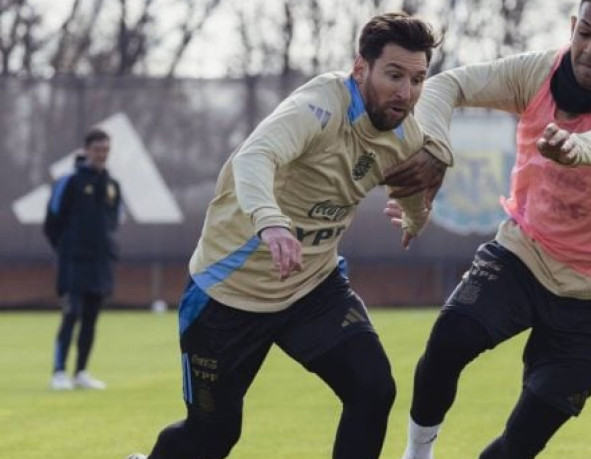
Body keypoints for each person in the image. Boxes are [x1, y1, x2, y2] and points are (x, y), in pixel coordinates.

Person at [127, 12, 446, 459]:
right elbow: (255, 156)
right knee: (212, 436)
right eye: (394, 75)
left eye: (417, 79)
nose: (405, 92)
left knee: (372, 389)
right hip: (227, 295)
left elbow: (410, 182)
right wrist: (271, 222)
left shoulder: (406, 131)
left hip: (311, 288)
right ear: (361, 68)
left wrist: (415, 217)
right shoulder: (318, 107)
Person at [387, 1, 591, 457]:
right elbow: (447, 84)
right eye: (584, 33)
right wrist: (436, 148)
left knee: (519, 445)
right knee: (447, 343)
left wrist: (577, 146)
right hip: (525, 254)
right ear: (572, 28)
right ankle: (416, 454)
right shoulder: (539, 71)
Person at [44, 128, 121, 391]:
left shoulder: (112, 185)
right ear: (86, 150)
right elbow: (52, 221)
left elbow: (113, 221)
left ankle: (81, 372)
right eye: (97, 150)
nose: (102, 155)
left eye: (106, 150)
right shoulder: (69, 182)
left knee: (91, 317)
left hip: (100, 263)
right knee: (71, 313)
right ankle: (58, 372)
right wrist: (66, 248)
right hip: (73, 262)